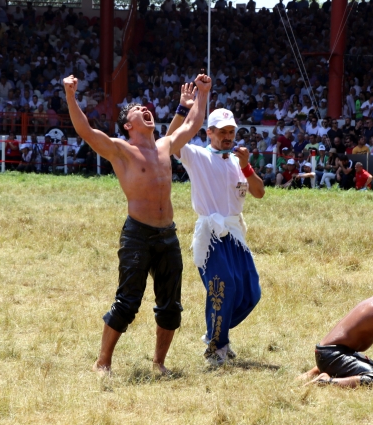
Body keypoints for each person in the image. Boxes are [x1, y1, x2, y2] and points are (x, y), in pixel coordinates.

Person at [64, 73, 211, 375]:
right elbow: (86, 131)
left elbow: (193, 124)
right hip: (138, 234)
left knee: (171, 306)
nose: (146, 110)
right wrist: (70, 95)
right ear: (128, 125)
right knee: (127, 301)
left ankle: (159, 363)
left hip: (167, 234)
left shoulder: (166, 145)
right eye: (137, 111)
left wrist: (203, 95)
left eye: (147, 108)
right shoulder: (121, 150)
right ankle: (102, 362)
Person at [174, 107, 265, 366]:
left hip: (235, 233)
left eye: (231, 132)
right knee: (222, 287)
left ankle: (218, 333)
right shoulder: (197, 155)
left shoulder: (239, 162)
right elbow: (171, 141)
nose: (228, 136)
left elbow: (259, 192)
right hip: (211, 234)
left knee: (251, 291)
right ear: (209, 133)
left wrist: (247, 167)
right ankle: (216, 347)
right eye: (222, 132)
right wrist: (184, 109)